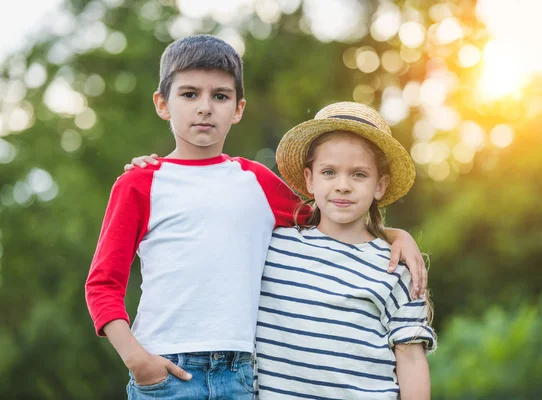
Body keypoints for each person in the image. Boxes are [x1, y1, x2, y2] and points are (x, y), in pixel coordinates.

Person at [89, 34, 426, 400]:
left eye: (220, 96)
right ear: (162, 103)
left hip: (241, 373)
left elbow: (328, 217)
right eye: (189, 94)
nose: (205, 107)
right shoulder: (140, 182)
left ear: (238, 108)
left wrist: (393, 234)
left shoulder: (257, 183)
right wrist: (137, 359)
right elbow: (103, 283)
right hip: (166, 368)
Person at [255, 102, 436, 399]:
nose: (343, 186)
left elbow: (412, 361)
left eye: (359, 175)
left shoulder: (397, 267)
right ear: (310, 179)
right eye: (329, 172)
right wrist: (151, 169)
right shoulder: (274, 246)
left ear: (380, 185)